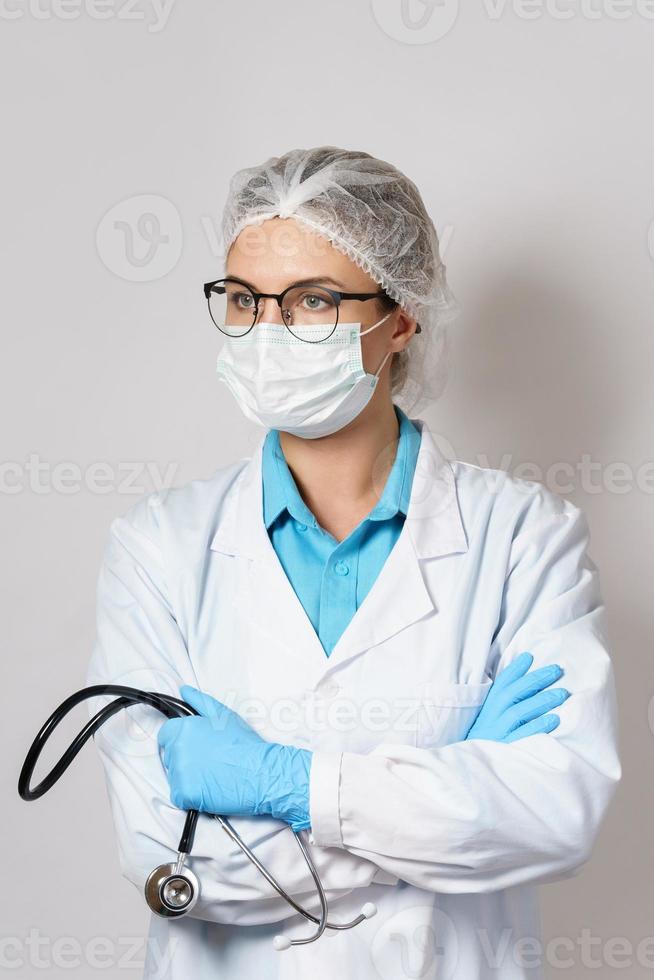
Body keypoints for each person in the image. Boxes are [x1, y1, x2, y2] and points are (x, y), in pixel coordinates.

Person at [86, 146, 621, 980]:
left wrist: (285, 786)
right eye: (243, 299)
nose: (269, 331)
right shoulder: (158, 545)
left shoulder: (524, 536)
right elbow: (173, 862)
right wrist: (450, 792)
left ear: (402, 315)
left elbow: (557, 813)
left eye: (313, 301)